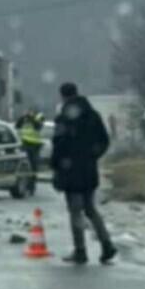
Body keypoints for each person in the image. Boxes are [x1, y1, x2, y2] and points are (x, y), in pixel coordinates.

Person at [51, 83, 117, 265]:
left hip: (70, 170)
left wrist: (56, 168)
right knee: (90, 209)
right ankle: (107, 245)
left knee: (75, 211)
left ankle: (80, 250)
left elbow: (58, 145)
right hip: (88, 169)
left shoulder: (64, 119)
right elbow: (104, 140)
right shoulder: (92, 115)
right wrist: (92, 156)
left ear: (63, 96)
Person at [15, 108, 45, 193]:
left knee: (33, 166)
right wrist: (23, 117)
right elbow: (17, 126)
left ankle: (31, 186)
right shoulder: (24, 119)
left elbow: (38, 127)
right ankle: (25, 185)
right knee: (25, 165)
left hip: (34, 145)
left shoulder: (39, 117)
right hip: (25, 143)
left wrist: (31, 118)